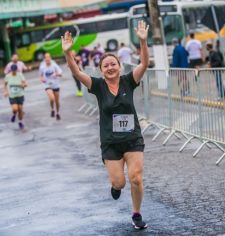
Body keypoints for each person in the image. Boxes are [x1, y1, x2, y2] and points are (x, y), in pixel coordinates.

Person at [62, 20, 149, 230]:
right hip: (110, 143)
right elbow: (77, 72)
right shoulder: (98, 86)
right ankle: (116, 186)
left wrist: (143, 42)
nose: (110, 67)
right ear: (101, 70)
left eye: (113, 64)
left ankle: (136, 214)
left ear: (120, 66)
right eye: (106, 65)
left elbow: (144, 64)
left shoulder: (129, 80)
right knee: (119, 182)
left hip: (132, 139)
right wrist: (68, 53)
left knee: (136, 178)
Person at [39, 53, 63, 120]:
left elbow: (61, 74)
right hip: (47, 85)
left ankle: (57, 113)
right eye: (46, 57)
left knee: (57, 101)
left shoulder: (54, 65)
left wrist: (56, 74)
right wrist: (42, 79)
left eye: (48, 57)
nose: (47, 59)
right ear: (44, 59)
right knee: (52, 98)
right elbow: (40, 76)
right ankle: (52, 109)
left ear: (50, 58)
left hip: (55, 85)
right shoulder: (42, 66)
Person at [3, 64, 28, 129]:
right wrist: (5, 91)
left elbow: (25, 83)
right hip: (12, 95)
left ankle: (20, 122)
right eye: (12, 70)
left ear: (16, 70)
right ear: (11, 70)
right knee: (15, 109)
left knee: (20, 109)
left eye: (15, 70)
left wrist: (24, 85)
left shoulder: (20, 75)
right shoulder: (8, 76)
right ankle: (14, 114)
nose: (13, 72)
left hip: (20, 94)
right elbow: (5, 84)